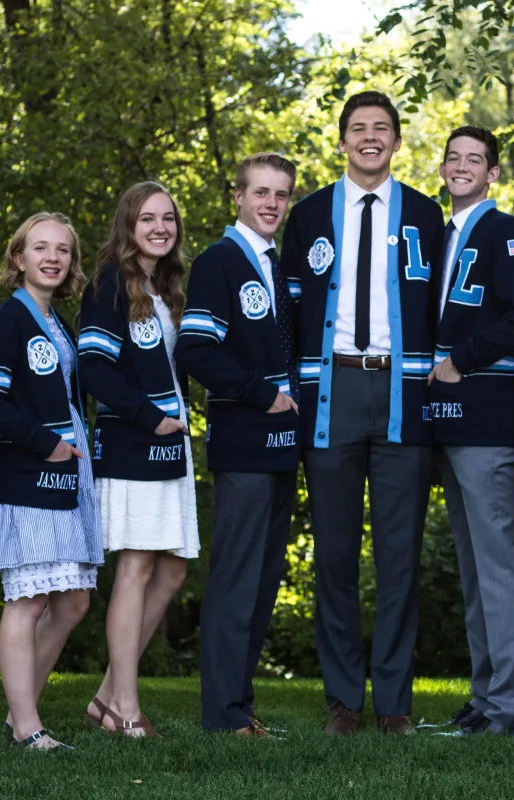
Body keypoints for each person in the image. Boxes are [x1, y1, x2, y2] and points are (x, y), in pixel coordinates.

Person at [279, 90, 445, 735]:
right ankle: (344, 699)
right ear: (342, 140)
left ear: (397, 142)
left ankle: (396, 703)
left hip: (404, 393)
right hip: (332, 393)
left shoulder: (427, 216)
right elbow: (288, 310)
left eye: (382, 129)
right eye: (358, 128)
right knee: (336, 554)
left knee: (399, 555)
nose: (370, 137)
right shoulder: (311, 214)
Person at [175, 153, 301, 737]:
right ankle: (221, 714)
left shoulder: (278, 265)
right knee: (234, 580)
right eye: (261, 193)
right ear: (238, 197)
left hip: (283, 448)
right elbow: (196, 349)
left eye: (280, 194)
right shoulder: (220, 262)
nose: (271, 203)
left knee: (264, 579)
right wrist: (261, 394)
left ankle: (240, 708)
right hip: (246, 442)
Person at [428, 126, 514, 736]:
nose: (462, 166)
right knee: (473, 564)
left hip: (486, 413)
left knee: (496, 562)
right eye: (454, 157)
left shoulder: (505, 231)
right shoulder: (439, 234)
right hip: (443, 416)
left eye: (475, 159)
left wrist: (461, 360)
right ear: (442, 167)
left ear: (492, 173)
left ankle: (509, 707)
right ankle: (484, 696)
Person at [0, 212, 102, 750]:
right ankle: (28, 728)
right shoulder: (9, 320)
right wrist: (46, 443)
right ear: (18, 257)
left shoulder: (56, 321)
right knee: (26, 602)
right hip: (31, 474)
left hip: (69, 476)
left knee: (72, 603)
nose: (52, 257)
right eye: (40, 247)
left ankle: (16, 712)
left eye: (63, 250)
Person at [79, 182, 196, 738]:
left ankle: (104, 696)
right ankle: (125, 708)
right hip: (133, 444)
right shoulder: (107, 283)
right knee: (136, 568)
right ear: (128, 224)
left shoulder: (165, 284)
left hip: (172, 444)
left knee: (171, 569)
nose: (159, 227)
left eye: (167, 218)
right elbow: (95, 371)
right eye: (147, 218)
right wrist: (151, 417)